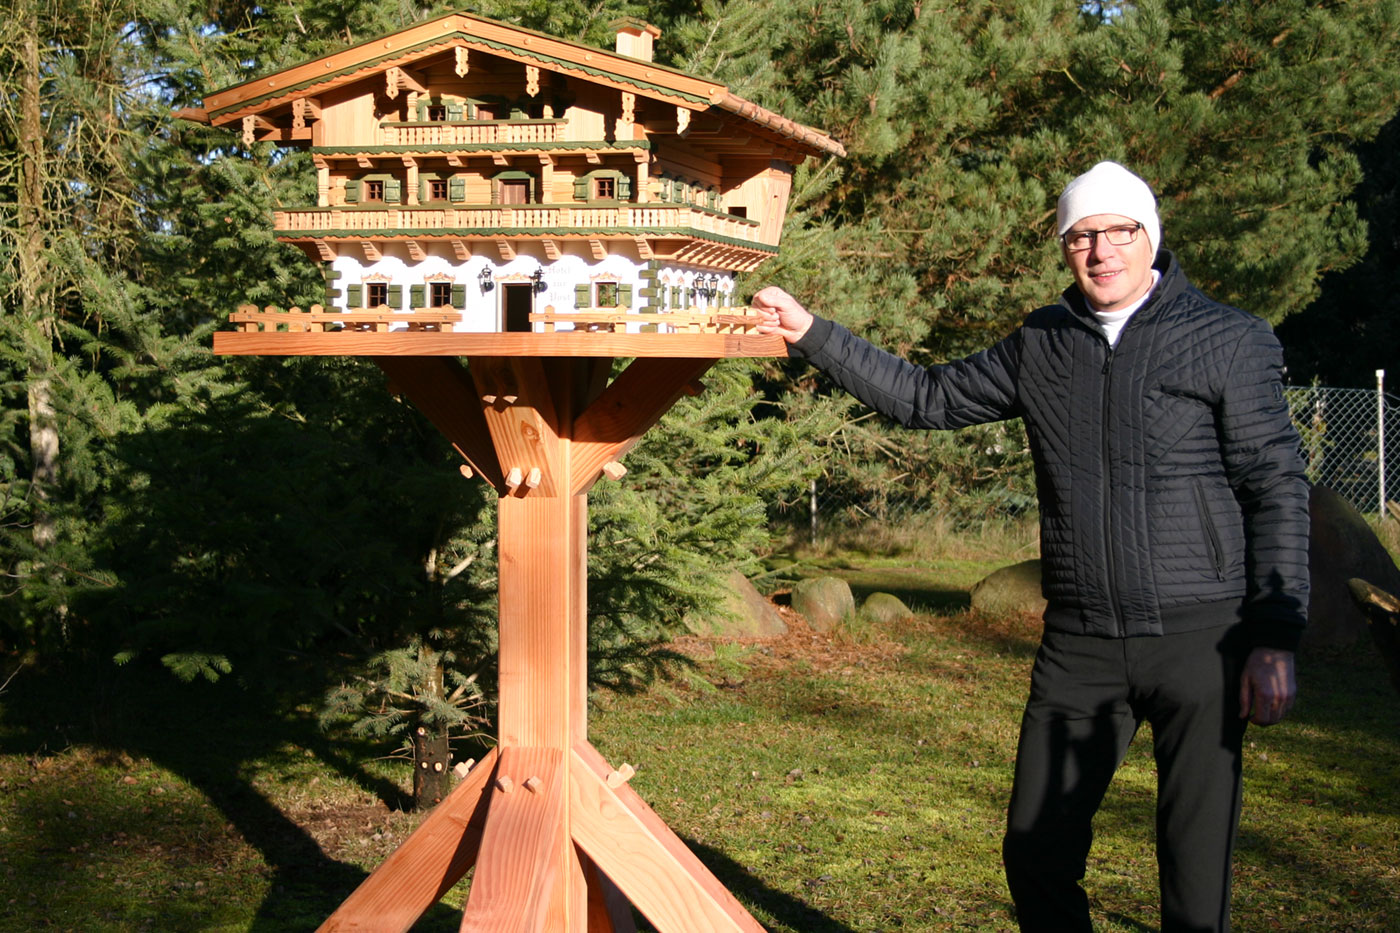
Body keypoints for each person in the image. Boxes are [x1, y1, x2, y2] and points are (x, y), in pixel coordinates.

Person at [752, 161, 1309, 933]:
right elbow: (926, 398)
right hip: (1080, 643)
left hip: (1202, 639)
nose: (1101, 250)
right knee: (1035, 853)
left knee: (1192, 867)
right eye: (1080, 235)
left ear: (1151, 237)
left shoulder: (1227, 338)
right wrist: (812, 333)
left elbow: (1275, 485)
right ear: (1064, 248)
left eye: (1119, 231)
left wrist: (1275, 635)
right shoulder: (1041, 343)